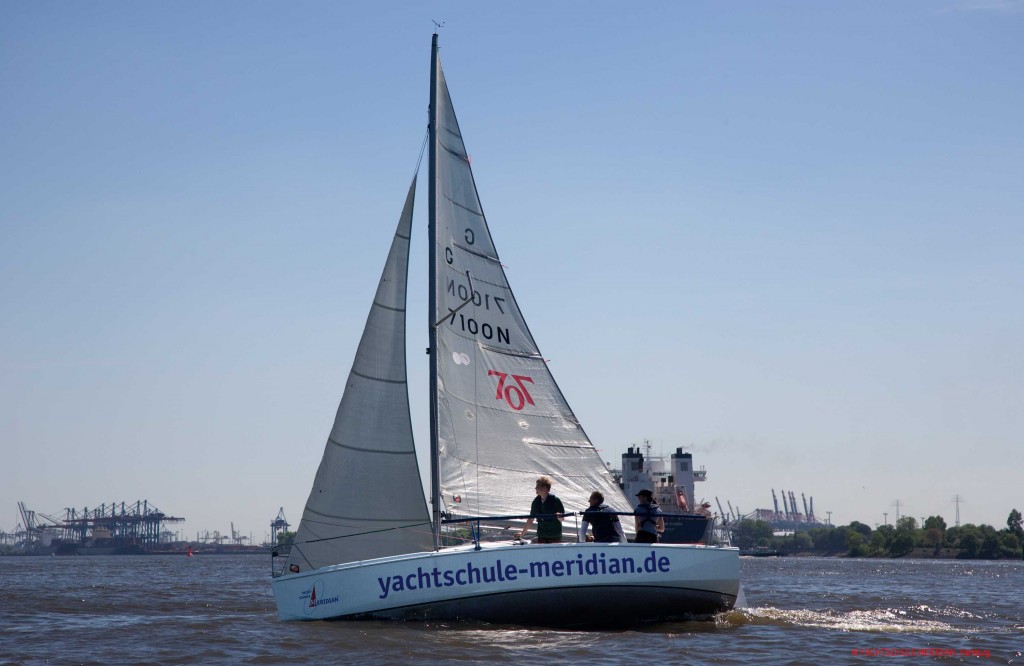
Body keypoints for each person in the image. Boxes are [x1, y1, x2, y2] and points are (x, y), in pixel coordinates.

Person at [515, 475, 564, 543]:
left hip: (555, 537)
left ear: (544, 488)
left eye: (537, 486)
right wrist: (522, 534)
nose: (535, 488)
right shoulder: (536, 502)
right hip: (542, 536)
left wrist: (559, 516)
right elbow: (530, 520)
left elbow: (562, 519)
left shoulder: (555, 500)